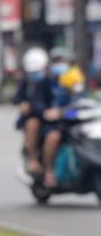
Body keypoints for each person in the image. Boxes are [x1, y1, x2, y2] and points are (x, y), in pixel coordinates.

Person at [41, 50, 85, 189]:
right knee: (53, 137)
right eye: (57, 62)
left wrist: (65, 113)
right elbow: (40, 103)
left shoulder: (75, 80)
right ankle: (49, 172)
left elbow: (80, 105)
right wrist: (49, 112)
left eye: (63, 62)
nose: (59, 65)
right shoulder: (48, 82)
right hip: (55, 123)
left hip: (73, 119)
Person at [14, 46, 52, 177]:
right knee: (32, 124)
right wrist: (21, 103)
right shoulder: (27, 82)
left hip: (55, 117)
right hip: (35, 116)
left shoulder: (52, 80)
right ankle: (33, 160)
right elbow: (18, 98)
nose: (35, 74)